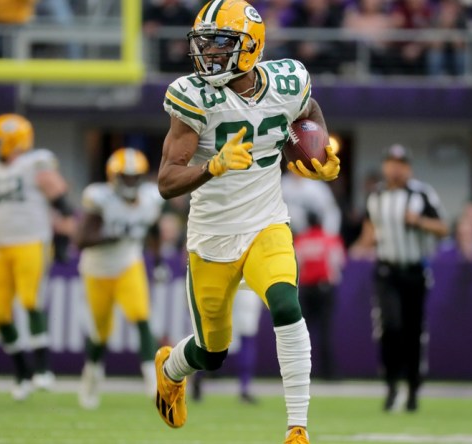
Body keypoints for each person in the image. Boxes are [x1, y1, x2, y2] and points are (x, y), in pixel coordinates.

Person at [153, 1, 341, 442]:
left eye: (221, 43)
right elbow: (165, 181)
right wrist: (212, 167)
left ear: (250, 47)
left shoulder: (287, 81)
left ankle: (298, 428)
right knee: (211, 352)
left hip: (266, 223)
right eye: (205, 42)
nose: (209, 53)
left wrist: (320, 155)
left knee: (286, 305)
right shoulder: (193, 96)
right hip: (211, 236)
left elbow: (308, 112)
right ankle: (170, 369)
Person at [0, 113, 76, 401]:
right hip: (1, 246)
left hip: (32, 242)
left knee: (30, 300)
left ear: (14, 141)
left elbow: (63, 203)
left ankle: (43, 370)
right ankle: (22, 373)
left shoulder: (36, 165)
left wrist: (64, 236)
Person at [355, 144, 449, 412]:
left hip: (414, 270)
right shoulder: (376, 196)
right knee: (390, 326)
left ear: (409, 167)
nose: (396, 168)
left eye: (401, 163)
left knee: (413, 332)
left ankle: (413, 389)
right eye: (391, 163)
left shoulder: (421, 194)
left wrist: (419, 221)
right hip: (387, 270)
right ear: (385, 166)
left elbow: (443, 227)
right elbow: (370, 232)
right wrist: (356, 248)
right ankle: (391, 385)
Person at [75, 147, 163, 409]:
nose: (131, 182)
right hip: (97, 270)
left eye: (135, 177)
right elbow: (80, 239)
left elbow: (154, 229)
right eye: (126, 177)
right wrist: (109, 237)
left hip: (128, 264)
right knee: (100, 332)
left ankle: (152, 381)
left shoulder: (150, 199)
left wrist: (157, 261)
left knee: (141, 317)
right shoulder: (100, 199)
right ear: (114, 177)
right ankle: (91, 377)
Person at [294, 211, 345, 380]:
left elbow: (295, 265)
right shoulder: (329, 239)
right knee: (325, 331)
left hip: (306, 290)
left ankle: (300, 372)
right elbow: (340, 262)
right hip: (324, 288)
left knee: (301, 333)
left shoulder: (301, 239)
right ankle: (328, 373)